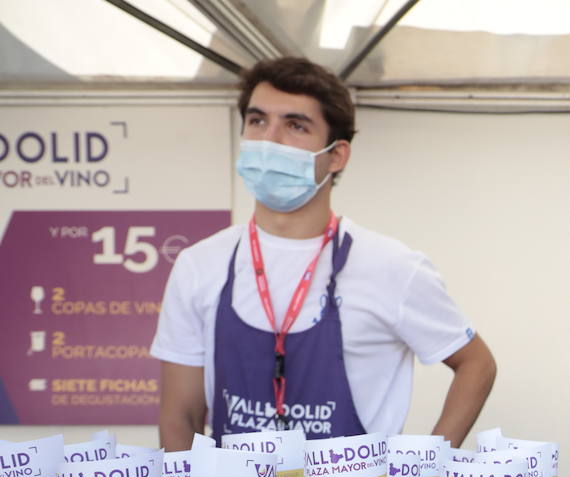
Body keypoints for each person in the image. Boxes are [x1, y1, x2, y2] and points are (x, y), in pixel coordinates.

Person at [152, 57, 496, 447]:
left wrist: (426, 469)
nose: (270, 139)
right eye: (258, 120)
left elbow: (476, 363)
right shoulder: (200, 265)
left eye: (295, 125)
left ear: (337, 155)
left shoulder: (392, 267)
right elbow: (181, 416)